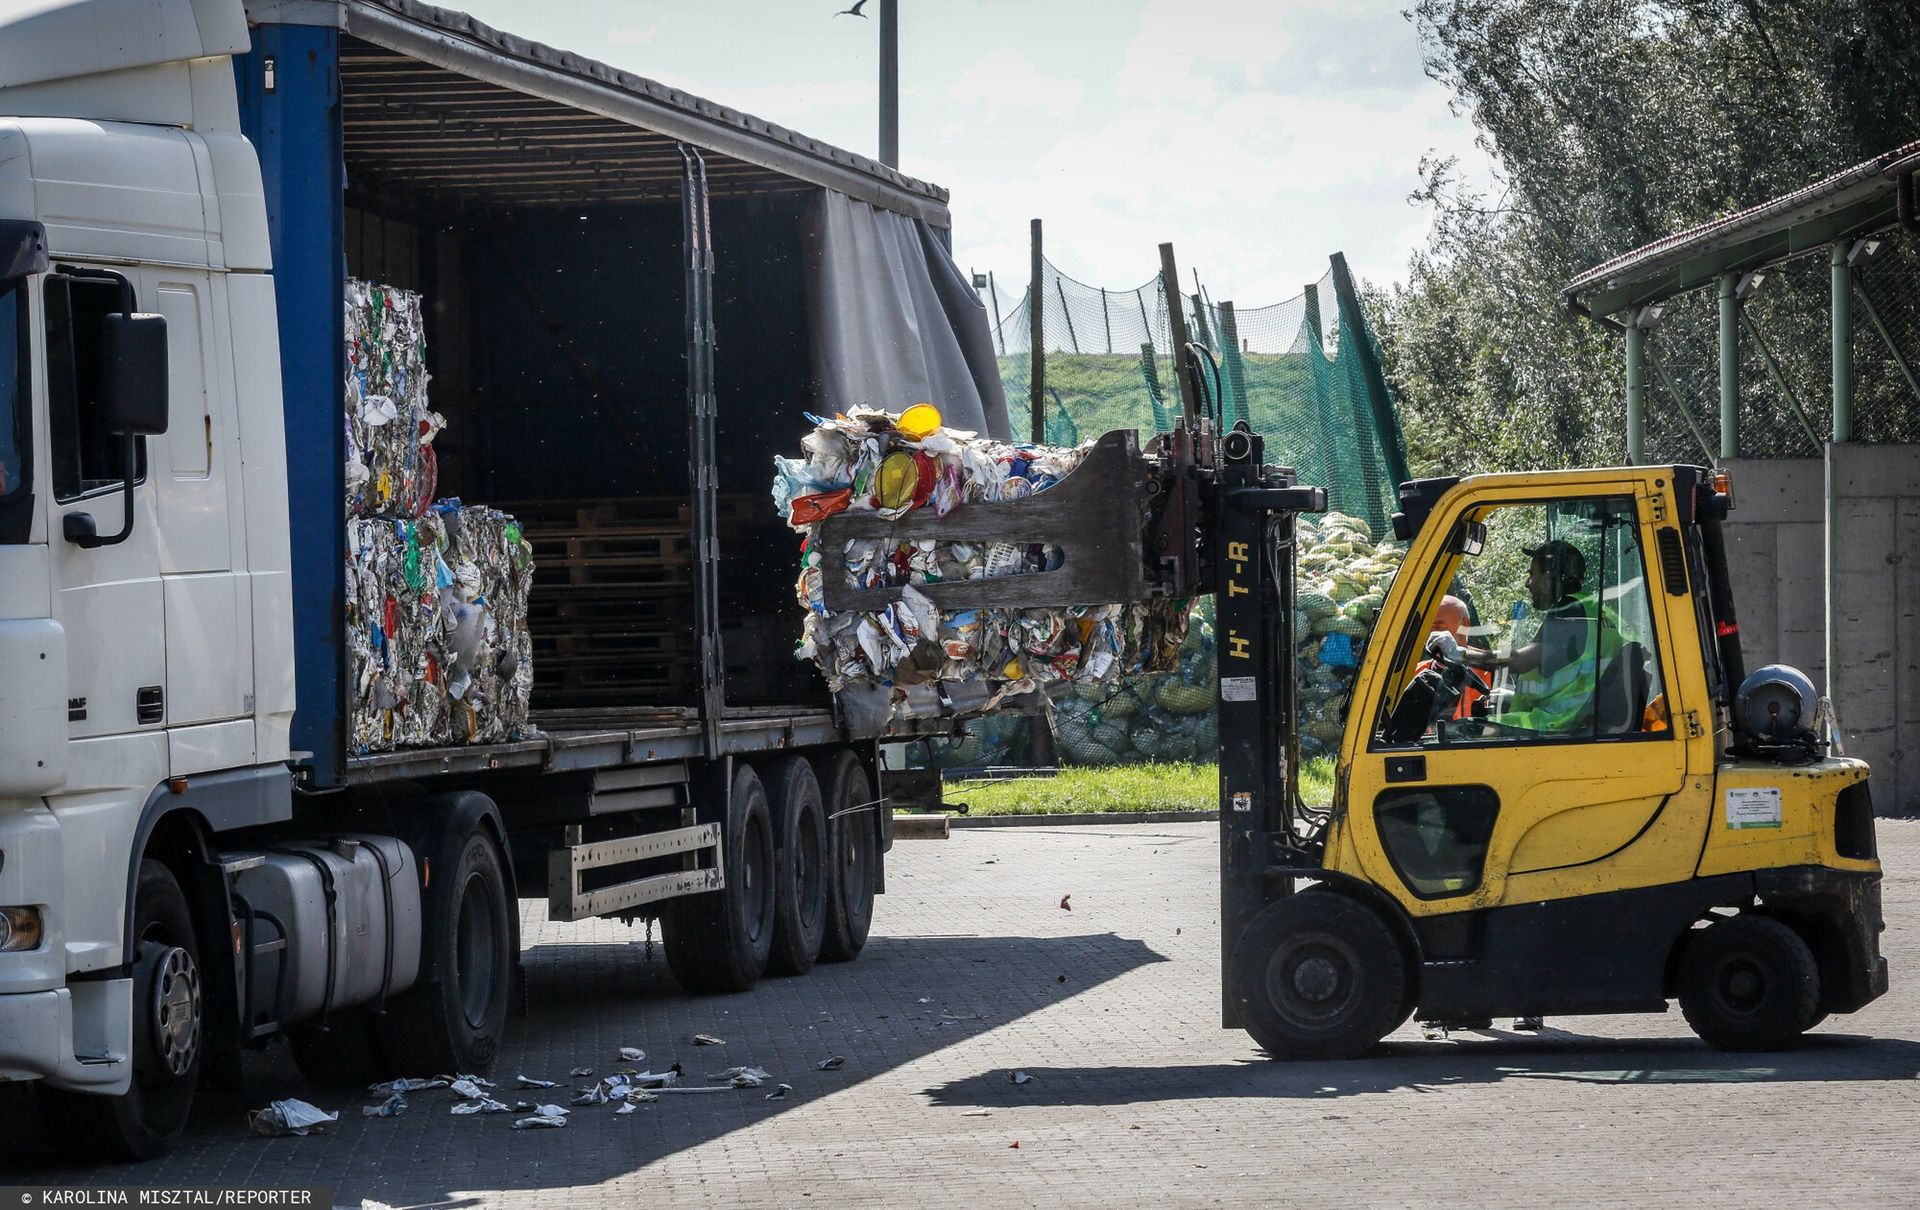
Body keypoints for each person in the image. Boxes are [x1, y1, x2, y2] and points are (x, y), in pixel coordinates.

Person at [1465, 538, 1617, 737]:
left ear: (1552, 576)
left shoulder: (1569, 612)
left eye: (1532, 574)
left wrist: (1460, 654)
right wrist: (1513, 696)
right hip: (1578, 724)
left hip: (1553, 726)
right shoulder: (1601, 612)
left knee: (1461, 731)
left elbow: (1519, 661)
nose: (1527, 583)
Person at [1414, 595, 1489, 723]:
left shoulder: (1490, 669)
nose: (1432, 636)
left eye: (1438, 628)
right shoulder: (1416, 673)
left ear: (1465, 626)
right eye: (1428, 629)